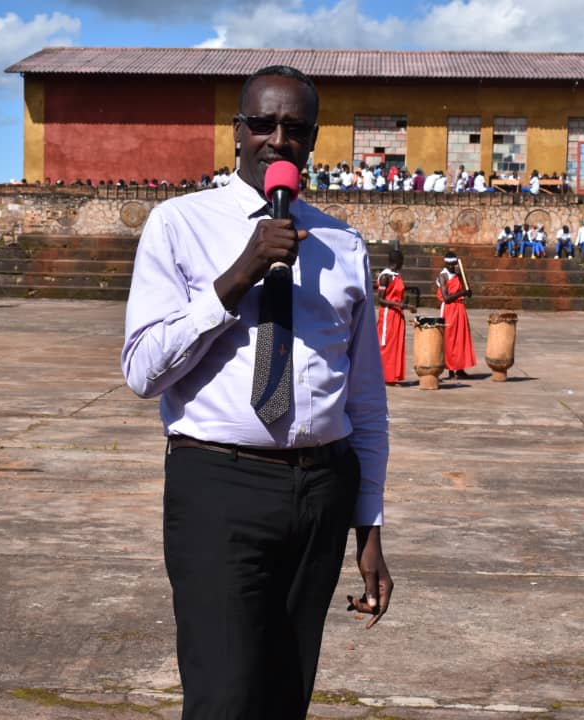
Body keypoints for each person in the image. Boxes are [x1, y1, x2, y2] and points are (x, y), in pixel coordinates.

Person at [121, 65, 392, 719]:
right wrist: (239, 274)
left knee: (283, 697)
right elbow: (143, 372)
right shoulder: (179, 225)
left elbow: (364, 400)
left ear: (313, 140)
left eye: (294, 127)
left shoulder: (342, 244)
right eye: (263, 124)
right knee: (224, 698)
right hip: (219, 485)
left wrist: (369, 524)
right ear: (237, 131)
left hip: (322, 489)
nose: (278, 139)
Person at [436, 253, 476, 379]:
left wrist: (461, 277)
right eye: (450, 265)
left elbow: (468, 291)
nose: (452, 267)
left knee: (461, 338)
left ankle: (460, 368)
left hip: (460, 308)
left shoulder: (459, 274)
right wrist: (462, 293)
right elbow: (446, 298)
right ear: (445, 264)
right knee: (450, 339)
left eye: (454, 264)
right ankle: (451, 369)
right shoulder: (443, 276)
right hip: (449, 309)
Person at [376, 249, 413, 384]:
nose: (403, 264)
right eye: (402, 261)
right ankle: (383, 376)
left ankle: (392, 376)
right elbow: (381, 300)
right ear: (397, 262)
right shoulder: (385, 277)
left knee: (396, 345)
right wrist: (401, 305)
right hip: (388, 314)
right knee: (386, 344)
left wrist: (403, 305)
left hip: (397, 314)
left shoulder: (396, 276)